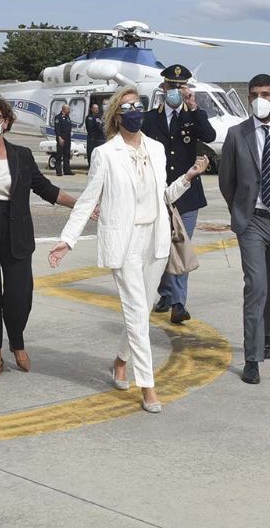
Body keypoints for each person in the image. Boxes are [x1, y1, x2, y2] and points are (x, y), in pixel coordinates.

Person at [48, 87, 208, 412]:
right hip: (125, 243)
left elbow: (163, 196)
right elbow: (89, 199)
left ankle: (121, 360)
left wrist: (189, 177)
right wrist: (68, 239)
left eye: (138, 105)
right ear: (116, 115)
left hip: (156, 239)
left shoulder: (157, 149)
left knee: (142, 311)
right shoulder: (105, 154)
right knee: (136, 311)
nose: (134, 110)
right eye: (127, 106)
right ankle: (148, 386)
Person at [0, 95, 90, 378]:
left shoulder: (21, 155)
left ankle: (16, 341)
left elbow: (44, 187)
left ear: (6, 122)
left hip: (15, 228)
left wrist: (80, 205)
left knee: (19, 295)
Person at [142, 64, 216, 324]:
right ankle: (164, 292)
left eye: (180, 86)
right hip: (160, 195)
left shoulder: (193, 116)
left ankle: (178, 303)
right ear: (163, 88)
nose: (175, 90)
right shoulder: (150, 118)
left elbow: (210, 135)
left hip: (187, 197)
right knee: (162, 248)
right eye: (171, 86)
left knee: (180, 246)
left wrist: (193, 106)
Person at [219, 73, 270, 384]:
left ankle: (266, 341)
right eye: (254, 95)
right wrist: (240, 212)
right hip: (253, 221)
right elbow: (227, 181)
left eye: (265, 93)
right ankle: (252, 358)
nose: (259, 99)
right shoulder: (237, 134)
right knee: (256, 287)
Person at [54, 104, 74, 176]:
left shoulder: (68, 117)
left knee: (67, 154)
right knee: (59, 155)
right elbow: (57, 129)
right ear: (64, 109)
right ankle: (58, 171)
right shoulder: (58, 118)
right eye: (68, 109)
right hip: (61, 139)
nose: (69, 111)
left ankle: (67, 170)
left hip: (67, 139)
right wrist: (59, 138)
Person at [85, 102, 106, 166]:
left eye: (97, 108)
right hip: (92, 138)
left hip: (99, 139)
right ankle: (90, 167)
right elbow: (90, 128)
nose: (97, 109)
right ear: (92, 109)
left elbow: (102, 126)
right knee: (91, 153)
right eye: (95, 108)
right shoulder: (89, 117)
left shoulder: (99, 117)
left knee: (98, 154)